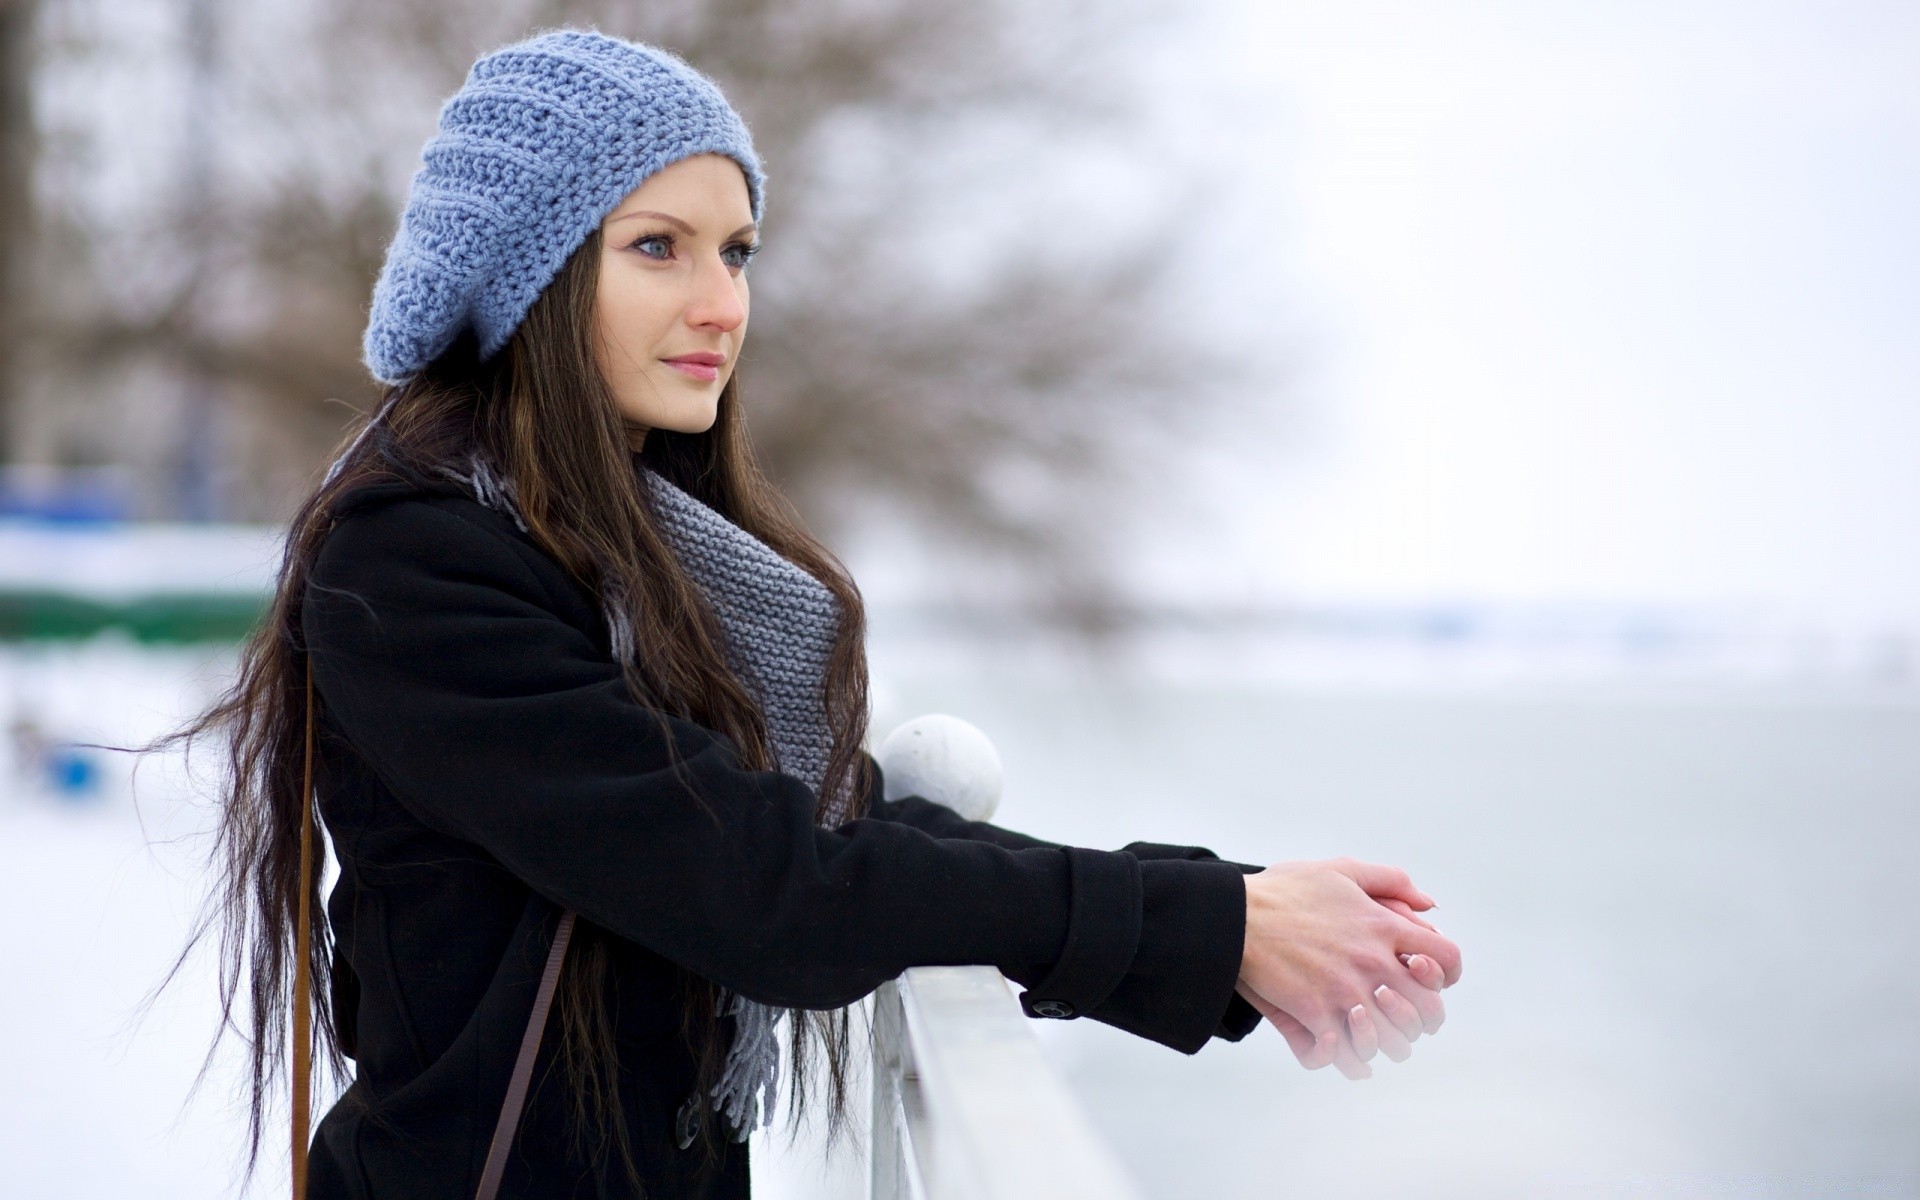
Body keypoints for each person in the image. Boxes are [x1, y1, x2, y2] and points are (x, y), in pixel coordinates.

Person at [174, 29, 1462, 1199]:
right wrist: (1209, 925)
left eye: (736, 251)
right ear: (534, 275)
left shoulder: (635, 553)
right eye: (657, 247)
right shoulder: (415, 563)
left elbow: (831, 826)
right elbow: (768, 886)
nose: (723, 303)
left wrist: (1230, 912)